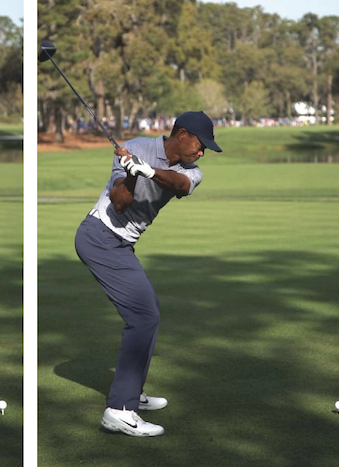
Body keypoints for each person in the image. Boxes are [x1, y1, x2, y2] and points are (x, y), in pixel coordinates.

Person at [74, 111, 222, 437]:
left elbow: (181, 185)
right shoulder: (135, 147)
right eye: (201, 144)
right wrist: (131, 174)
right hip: (99, 237)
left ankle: (132, 393)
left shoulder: (190, 172)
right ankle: (120, 409)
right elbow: (119, 202)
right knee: (143, 317)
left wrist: (147, 170)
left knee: (149, 314)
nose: (202, 153)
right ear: (182, 134)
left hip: (121, 245)